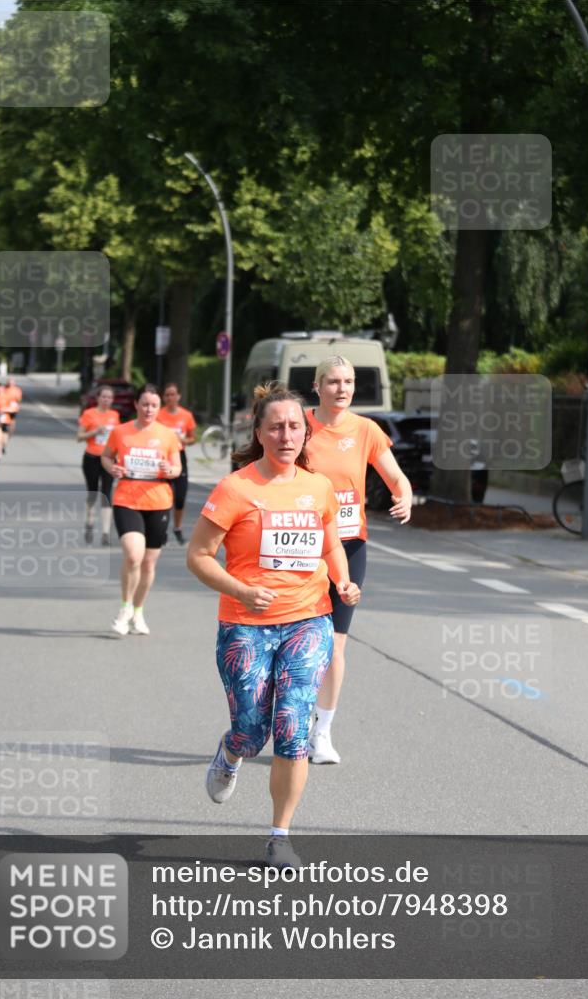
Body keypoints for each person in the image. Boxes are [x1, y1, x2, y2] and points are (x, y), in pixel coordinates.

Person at [186, 383, 360, 868]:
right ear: (260, 432)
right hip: (246, 623)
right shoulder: (236, 488)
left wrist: (343, 582)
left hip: (308, 620)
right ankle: (231, 751)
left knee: (291, 727)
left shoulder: (318, 486)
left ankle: (279, 835)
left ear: (306, 433)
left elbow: (330, 545)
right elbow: (198, 556)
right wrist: (241, 590)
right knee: (250, 725)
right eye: (276, 427)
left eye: (295, 427)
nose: (286, 435)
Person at [304, 356, 413, 764]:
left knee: (333, 645)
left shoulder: (366, 430)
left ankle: (323, 732)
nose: (342, 388)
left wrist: (405, 496)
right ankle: (290, 716)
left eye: (348, 381)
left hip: (349, 546)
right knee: (293, 640)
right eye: (333, 381)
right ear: (318, 386)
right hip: (299, 546)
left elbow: (395, 475)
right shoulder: (299, 426)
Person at [101, 384, 180, 636]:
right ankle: (125, 608)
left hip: (158, 501)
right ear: (136, 404)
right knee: (134, 555)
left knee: (148, 563)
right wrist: (111, 468)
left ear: (159, 408)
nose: (149, 409)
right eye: (144, 404)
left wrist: (171, 471)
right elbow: (105, 456)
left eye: (154, 405)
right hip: (127, 499)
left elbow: (177, 467)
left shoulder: (167, 435)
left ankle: (138, 610)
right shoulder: (120, 432)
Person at [77, 385, 121, 544]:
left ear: (112, 400)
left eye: (109, 397)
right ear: (98, 398)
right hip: (91, 458)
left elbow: (119, 438)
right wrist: (94, 432)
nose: (106, 400)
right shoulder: (89, 414)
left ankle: (105, 532)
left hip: (109, 459)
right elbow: (79, 436)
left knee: (107, 494)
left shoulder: (115, 415)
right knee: (93, 493)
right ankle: (89, 523)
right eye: (103, 397)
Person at [157, 382, 197, 544]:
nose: (170, 398)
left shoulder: (186, 415)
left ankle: (178, 527)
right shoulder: (158, 415)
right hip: (162, 457)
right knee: (163, 496)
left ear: (179, 396)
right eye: (167, 395)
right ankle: (161, 528)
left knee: (180, 497)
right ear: (163, 397)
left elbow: (193, 438)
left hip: (179, 457)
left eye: (173, 394)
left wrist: (183, 439)